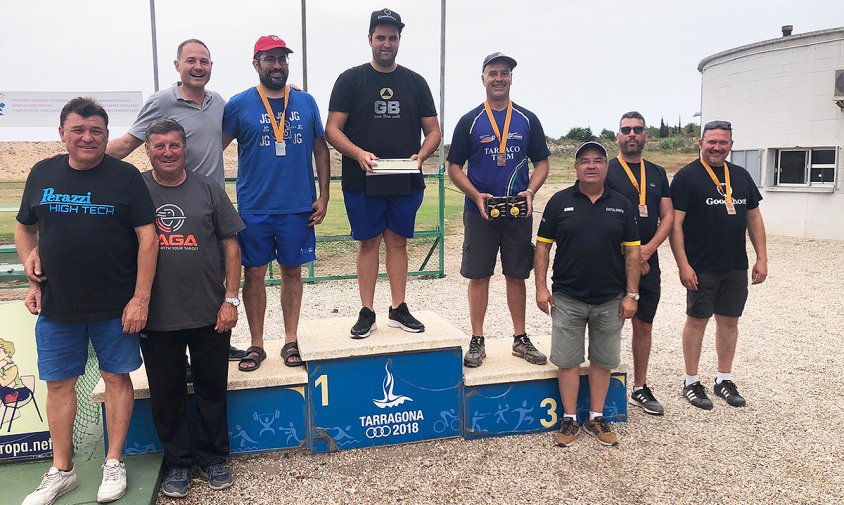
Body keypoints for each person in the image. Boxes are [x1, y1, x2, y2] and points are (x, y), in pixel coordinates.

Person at [16, 97, 157, 504]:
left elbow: (148, 239)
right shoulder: (41, 172)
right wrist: (31, 266)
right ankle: (63, 470)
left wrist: (140, 298)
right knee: (59, 385)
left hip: (116, 304)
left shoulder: (126, 176)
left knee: (117, 378)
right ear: (62, 133)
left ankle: (114, 461)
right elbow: (26, 229)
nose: (87, 137)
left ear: (107, 134)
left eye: (96, 130)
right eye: (78, 129)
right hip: (58, 304)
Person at [138, 118, 243, 497]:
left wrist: (231, 298)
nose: (167, 152)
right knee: (166, 395)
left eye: (174, 145)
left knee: (212, 389)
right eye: (159, 145)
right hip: (157, 316)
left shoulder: (208, 188)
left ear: (185, 149)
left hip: (209, 313)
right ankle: (179, 464)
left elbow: (231, 245)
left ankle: (214, 458)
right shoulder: (136, 190)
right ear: (147, 150)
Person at [325, 8, 441, 338]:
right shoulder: (351, 79)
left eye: (392, 37)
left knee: (398, 242)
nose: (386, 43)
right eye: (381, 37)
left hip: (405, 177)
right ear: (370, 39)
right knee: (367, 243)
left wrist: (422, 154)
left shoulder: (415, 82)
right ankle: (366, 311)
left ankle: (398, 308)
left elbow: (433, 131)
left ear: (399, 40)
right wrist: (359, 154)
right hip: (362, 177)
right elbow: (333, 129)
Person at [222, 35, 330, 370]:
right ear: (256, 64)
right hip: (254, 207)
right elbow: (214, 149)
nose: (277, 65)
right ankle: (256, 344)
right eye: (269, 59)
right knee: (253, 274)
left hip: (297, 206)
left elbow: (321, 149)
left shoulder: (305, 101)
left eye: (282, 58)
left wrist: (324, 194)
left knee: (292, 272)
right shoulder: (239, 104)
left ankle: (290, 339)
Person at [534, 141, 641, 448]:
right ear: (575, 168)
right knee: (567, 361)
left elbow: (632, 254)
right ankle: (569, 418)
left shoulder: (622, 204)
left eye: (598, 160)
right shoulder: (558, 202)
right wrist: (541, 287)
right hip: (567, 297)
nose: (591, 166)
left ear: (607, 167)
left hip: (610, 299)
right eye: (584, 161)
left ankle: (595, 415)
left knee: (602, 360)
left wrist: (631, 295)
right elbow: (542, 247)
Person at [447, 52, 550, 368]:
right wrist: (476, 194)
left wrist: (531, 191)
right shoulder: (470, 121)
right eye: (493, 73)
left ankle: (520, 338)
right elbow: (453, 167)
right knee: (479, 276)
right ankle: (477, 340)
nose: (499, 78)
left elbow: (542, 163)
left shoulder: (528, 119)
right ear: (483, 78)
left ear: (511, 78)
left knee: (516, 274)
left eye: (504, 73)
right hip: (481, 210)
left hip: (518, 210)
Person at [669, 120, 767, 410]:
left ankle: (724, 378)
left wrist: (762, 257)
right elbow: (675, 224)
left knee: (729, 322)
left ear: (731, 146)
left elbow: (753, 217)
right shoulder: (687, 177)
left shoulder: (740, 176)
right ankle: (691, 381)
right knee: (697, 320)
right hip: (701, 265)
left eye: (723, 142)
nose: (717, 147)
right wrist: (683, 265)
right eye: (711, 141)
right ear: (700, 144)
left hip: (735, 264)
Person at [605, 111, 673, 415]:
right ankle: (601, 386)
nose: (631, 135)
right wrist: (631, 255)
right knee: (606, 325)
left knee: (644, 325)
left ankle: (640, 387)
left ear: (646, 136)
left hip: (649, 259)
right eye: (626, 130)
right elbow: (599, 216)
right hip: (612, 260)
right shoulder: (606, 171)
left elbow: (667, 215)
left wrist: (648, 250)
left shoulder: (657, 172)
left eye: (637, 130)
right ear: (617, 136)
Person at [107, 39, 226, 187]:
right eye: (191, 61)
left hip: (215, 201)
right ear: (177, 65)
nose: (198, 67)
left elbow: (217, 144)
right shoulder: (161, 102)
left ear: (211, 66)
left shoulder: (218, 103)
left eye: (204, 62)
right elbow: (126, 144)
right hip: (175, 200)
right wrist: (79, 161)